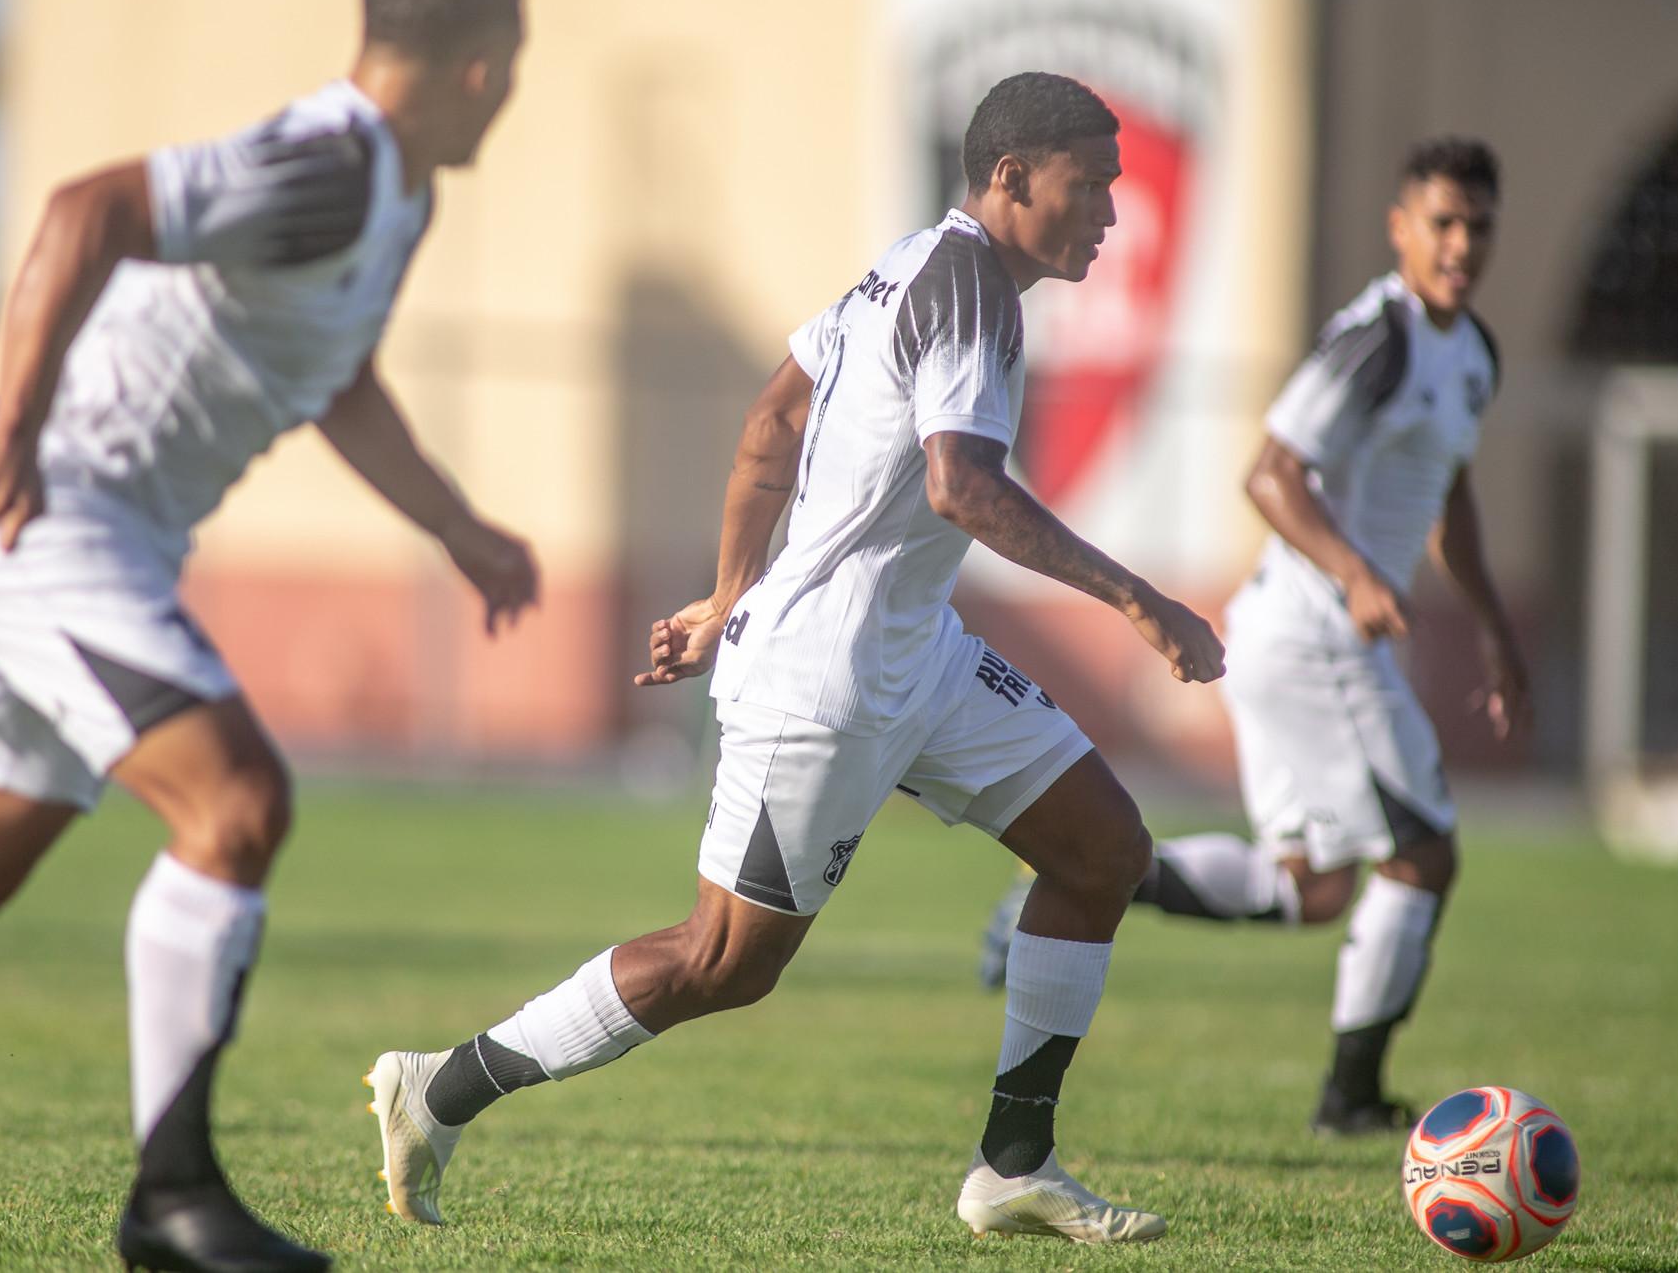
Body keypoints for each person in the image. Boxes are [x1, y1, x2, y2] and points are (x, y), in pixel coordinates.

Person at [364, 71, 1224, 1244]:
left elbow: (774, 421)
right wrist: (1136, 600)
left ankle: (1012, 1166)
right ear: (1011, 178)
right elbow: (957, 485)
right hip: (825, 682)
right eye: (1091, 188)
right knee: (721, 961)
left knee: (1102, 850)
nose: (1111, 217)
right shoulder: (965, 284)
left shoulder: (910, 266)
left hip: (915, 659)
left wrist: (728, 593)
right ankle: (440, 1086)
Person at [0, 0, 534, 1270]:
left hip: (95, 535)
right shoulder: (331, 163)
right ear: (487, 64)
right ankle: (174, 1199)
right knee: (238, 798)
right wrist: (18, 424)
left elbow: (337, 379)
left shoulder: (397, 200)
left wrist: (459, 528)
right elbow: (90, 209)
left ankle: (173, 1197)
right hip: (45, 509)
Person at [978, 136, 1530, 1137]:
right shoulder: (1379, 339)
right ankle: (1349, 1097)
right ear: (1400, 227)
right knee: (1421, 855)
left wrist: (1492, 627)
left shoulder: (1470, 353)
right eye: (1441, 223)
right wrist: (1358, 573)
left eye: (1477, 226)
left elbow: (1445, 492)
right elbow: (1269, 472)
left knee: (1312, 888)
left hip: (1318, 632)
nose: (1459, 244)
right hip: (1315, 630)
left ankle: (1077, 873)